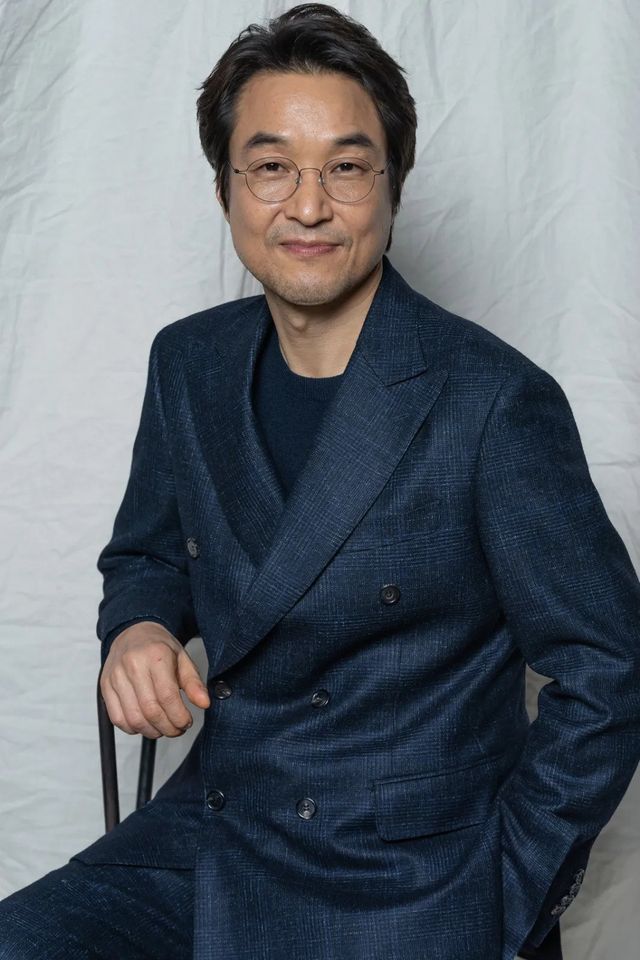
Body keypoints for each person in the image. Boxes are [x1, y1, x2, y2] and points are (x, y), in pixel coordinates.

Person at [2, 4, 640, 960]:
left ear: (393, 186)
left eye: (346, 168)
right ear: (225, 189)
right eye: (271, 167)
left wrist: (507, 891)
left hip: (409, 877)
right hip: (218, 826)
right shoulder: (190, 363)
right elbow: (147, 554)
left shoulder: (492, 400)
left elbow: (610, 667)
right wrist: (138, 628)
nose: (307, 207)